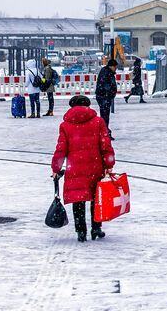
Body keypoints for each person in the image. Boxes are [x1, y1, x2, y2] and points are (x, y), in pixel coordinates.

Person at [51, 94, 116, 242]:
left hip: (75, 169)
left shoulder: (65, 125)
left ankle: (81, 231)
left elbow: (61, 149)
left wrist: (56, 167)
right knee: (96, 198)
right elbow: (106, 145)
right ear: (88, 106)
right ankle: (96, 228)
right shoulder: (98, 122)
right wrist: (109, 164)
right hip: (95, 166)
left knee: (78, 200)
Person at [94, 58, 118, 135]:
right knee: (105, 116)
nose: (116, 69)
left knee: (105, 115)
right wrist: (110, 92)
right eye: (115, 67)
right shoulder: (106, 73)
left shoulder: (107, 72)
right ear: (111, 66)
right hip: (104, 97)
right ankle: (104, 132)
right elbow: (106, 85)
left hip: (105, 96)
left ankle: (105, 131)